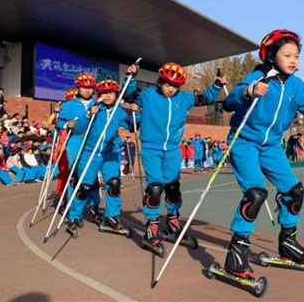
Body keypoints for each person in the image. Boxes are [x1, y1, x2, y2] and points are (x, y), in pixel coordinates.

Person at [221, 29, 304, 278]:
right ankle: (236, 252)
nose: (294, 60)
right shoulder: (258, 76)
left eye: (296, 55)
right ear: (271, 56)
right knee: (256, 193)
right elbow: (228, 103)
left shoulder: (296, 84)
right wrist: (249, 91)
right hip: (244, 143)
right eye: (287, 55)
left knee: (294, 191)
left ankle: (288, 243)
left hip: (271, 146)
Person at [123, 62, 226, 253]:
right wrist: (131, 77)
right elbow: (129, 95)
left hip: (172, 149)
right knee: (155, 187)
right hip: (151, 148)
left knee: (172, 186)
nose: (171, 89)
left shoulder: (184, 98)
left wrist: (217, 86)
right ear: (160, 81)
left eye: (175, 86)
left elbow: (204, 99)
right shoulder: (148, 95)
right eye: (167, 84)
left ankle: (173, 221)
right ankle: (152, 225)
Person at [66, 79, 135, 237]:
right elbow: (78, 128)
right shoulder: (94, 109)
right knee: (84, 187)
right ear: (99, 95)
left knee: (114, 183)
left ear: (116, 94)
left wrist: (123, 135)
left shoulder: (120, 112)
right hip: (90, 153)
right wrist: (88, 114)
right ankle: (74, 217)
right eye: (104, 93)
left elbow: (128, 127)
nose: (108, 96)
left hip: (109, 153)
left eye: (111, 93)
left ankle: (112, 216)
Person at [57, 74, 101, 220]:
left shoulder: (98, 103)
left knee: (93, 174)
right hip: (76, 139)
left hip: (93, 140)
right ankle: (71, 205)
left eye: (90, 88)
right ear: (77, 88)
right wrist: (66, 125)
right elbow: (59, 123)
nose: (88, 91)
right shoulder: (69, 105)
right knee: (75, 174)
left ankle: (94, 205)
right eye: (84, 88)